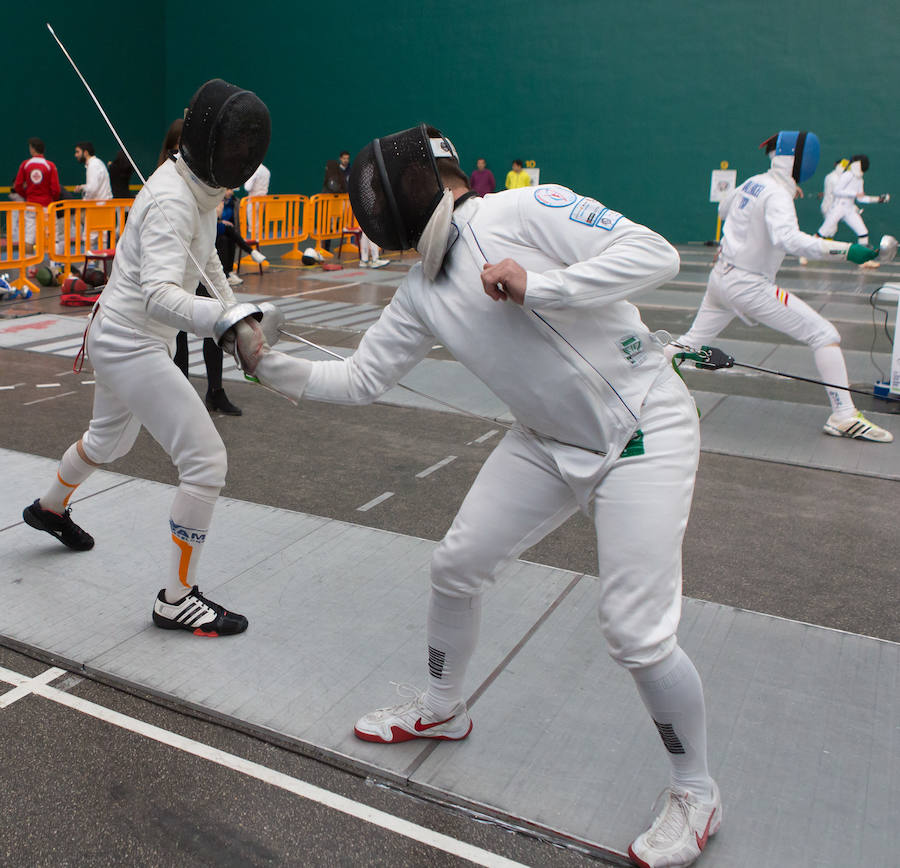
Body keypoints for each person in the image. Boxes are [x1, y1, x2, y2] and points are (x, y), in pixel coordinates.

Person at [231, 123, 721, 867]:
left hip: (641, 430)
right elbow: (361, 378)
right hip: (544, 442)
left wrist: (541, 284)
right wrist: (269, 365)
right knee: (456, 566)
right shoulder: (421, 290)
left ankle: (696, 789)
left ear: (413, 186)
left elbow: (652, 253)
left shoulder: (528, 208)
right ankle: (441, 709)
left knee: (634, 631)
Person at [22, 78, 271, 636]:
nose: (240, 159)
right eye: (234, 148)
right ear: (211, 142)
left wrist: (239, 313)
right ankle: (177, 599)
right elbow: (160, 293)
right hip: (131, 338)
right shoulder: (169, 199)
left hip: (127, 334)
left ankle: (49, 509)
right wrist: (226, 324)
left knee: (110, 441)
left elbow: (206, 263)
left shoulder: (203, 194)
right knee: (206, 461)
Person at [671, 131, 892, 443]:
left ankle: (640, 393)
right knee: (824, 334)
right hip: (748, 285)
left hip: (721, 278)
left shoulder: (754, 182)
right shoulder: (776, 193)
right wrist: (846, 251)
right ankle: (843, 416)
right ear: (799, 160)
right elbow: (788, 239)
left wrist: (779, 199)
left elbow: (724, 211)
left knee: (689, 344)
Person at [816, 154, 890, 267]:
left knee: (863, 232)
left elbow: (861, 198)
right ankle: (804, 254)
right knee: (823, 232)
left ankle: (863, 260)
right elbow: (836, 191)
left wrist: (878, 199)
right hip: (838, 207)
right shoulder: (847, 175)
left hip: (849, 209)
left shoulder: (859, 179)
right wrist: (854, 194)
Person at [13, 137, 61, 246]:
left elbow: (18, 185)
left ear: (32, 149)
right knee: (52, 235)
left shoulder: (25, 164)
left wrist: (27, 195)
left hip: (31, 206)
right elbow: (56, 189)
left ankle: (30, 263)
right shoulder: (50, 165)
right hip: (47, 206)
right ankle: (54, 263)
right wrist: (51, 198)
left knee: (29, 237)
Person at [242, 160, 270, 235]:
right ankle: (258, 238)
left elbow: (248, 187)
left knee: (253, 221)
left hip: (254, 199)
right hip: (263, 198)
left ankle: (254, 239)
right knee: (259, 219)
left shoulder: (254, 171)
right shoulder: (266, 171)